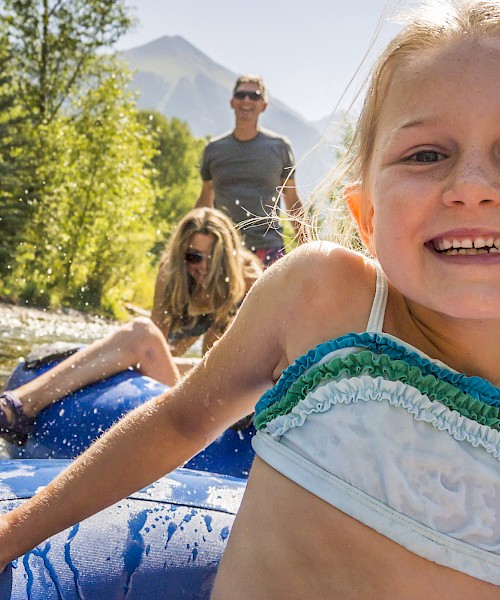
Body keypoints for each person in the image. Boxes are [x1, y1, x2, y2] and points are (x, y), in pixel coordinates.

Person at [1, 1, 500, 597]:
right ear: (365, 216)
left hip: (262, 246)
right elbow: (181, 419)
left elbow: (289, 198)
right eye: (425, 155)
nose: (471, 187)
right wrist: (12, 533)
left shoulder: (278, 152)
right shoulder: (324, 299)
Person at [0, 207, 262, 446]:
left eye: (212, 258)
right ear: (182, 254)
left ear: (226, 257)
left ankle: (19, 405)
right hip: (206, 395)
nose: (202, 267)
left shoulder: (249, 284)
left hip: (223, 413)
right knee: (144, 339)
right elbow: (169, 349)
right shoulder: (172, 275)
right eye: (193, 257)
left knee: (140, 334)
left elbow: (226, 366)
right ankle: (27, 400)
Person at [195, 74, 304, 267]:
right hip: (224, 251)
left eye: (254, 96)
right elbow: (205, 203)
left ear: (263, 105)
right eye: (241, 94)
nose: (247, 100)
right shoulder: (214, 149)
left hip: (270, 250)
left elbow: (292, 201)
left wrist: (310, 246)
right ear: (232, 102)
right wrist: (189, 243)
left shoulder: (279, 148)